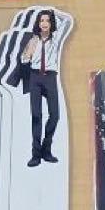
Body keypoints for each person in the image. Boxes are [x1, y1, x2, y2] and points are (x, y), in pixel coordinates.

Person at [20, 9, 61, 166]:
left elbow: (66, 20)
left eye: (47, 20)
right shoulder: (33, 40)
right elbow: (24, 60)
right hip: (35, 77)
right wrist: (28, 52)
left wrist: (52, 12)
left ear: (52, 23)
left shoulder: (57, 38)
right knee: (36, 116)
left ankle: (46, 149)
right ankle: (36, 154)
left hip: (50, 77)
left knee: (55, 115)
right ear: (38, 23)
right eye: (41, 20)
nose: (44, 23)